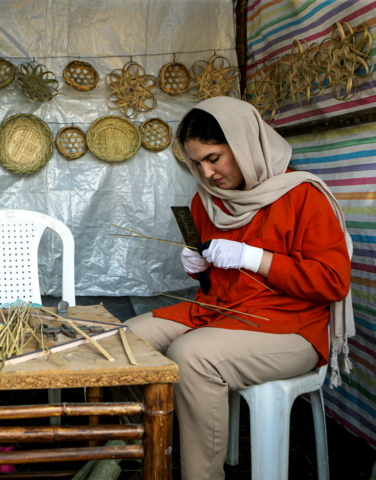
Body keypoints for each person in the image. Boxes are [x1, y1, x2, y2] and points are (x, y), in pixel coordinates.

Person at [124, 97, 353, 480]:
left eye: (214, 158)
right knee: (124, 341)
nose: (207, 172)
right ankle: (133, 456)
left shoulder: (303, 196)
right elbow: (216, 282)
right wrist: (197, 266)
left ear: (245, 144)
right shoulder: (206, 202)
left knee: (191, 355)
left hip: (289, 326)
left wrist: (254, 257)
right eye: (196, 163)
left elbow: (333, 281)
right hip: (221, 311)